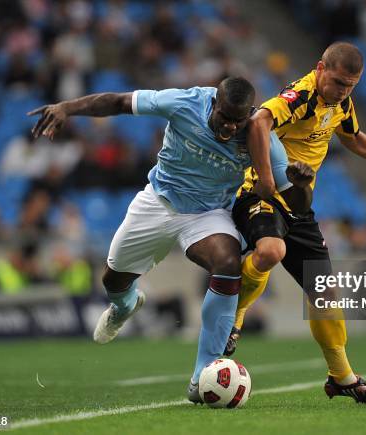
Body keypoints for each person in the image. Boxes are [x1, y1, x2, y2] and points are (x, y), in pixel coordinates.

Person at [28, 77, 314, 403]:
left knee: (227, 262)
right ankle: (125, 306)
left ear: (248, 113)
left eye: (238, 120)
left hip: (207, 215)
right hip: (157, 203)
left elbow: (297, 205)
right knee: (114, 280)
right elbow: (121, 102)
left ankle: (202, 373)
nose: (230, 127)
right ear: (213, 104)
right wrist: (67, 108)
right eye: (224, 117)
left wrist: (302, 186)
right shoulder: (184, 103)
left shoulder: (259, 136)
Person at [225, 42, 366, 405]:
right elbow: (259, 119)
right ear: (320, 67)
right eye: (338, 82)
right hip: (259, 195)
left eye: (350, 86)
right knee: (271, 250)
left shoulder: (339, 103)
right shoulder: (301, 94)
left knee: (324, 293)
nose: (342, 91)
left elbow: (353, 136)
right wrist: (265, 177)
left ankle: (341, 377)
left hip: (297, 206)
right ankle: (236, 315)